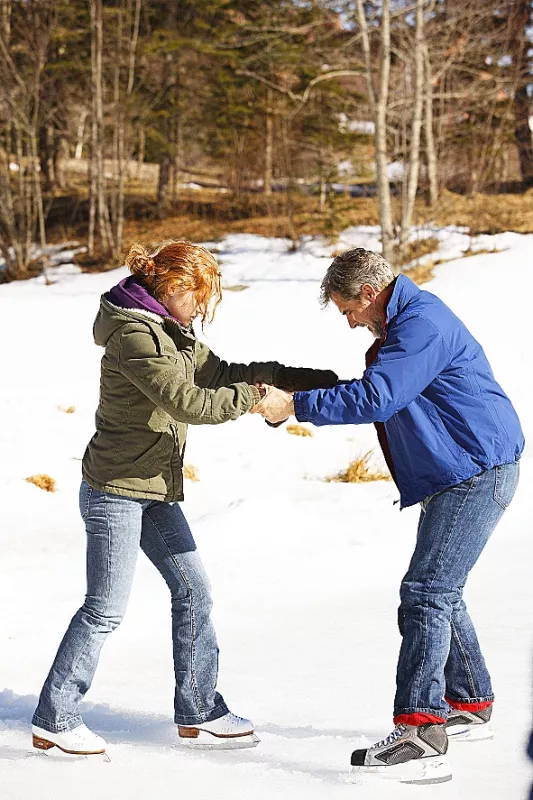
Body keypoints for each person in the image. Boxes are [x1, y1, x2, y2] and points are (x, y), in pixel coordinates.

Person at [31, 240, 338, 757]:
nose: (201, 307)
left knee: (195, 590)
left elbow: (221, 375)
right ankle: (55, 717)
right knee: (104, 608)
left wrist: (312, 383)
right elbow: (187, 401)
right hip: (116, 493)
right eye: (199, 296)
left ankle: (198, 710)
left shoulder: (172, 331)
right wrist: (259, 400)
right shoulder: (134, 335)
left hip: (152, 490)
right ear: (172, 287)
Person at [252, 248, 524, 785]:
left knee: (426, 592)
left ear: (370, 293)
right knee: (441, 589)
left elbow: (379, 397)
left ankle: (422, 731)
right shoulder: (409, 321)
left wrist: (297, 407)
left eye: (347, 309)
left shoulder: (421, 324)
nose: (349, 321)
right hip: (462, 469)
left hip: (475, 469)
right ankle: (468, 704)